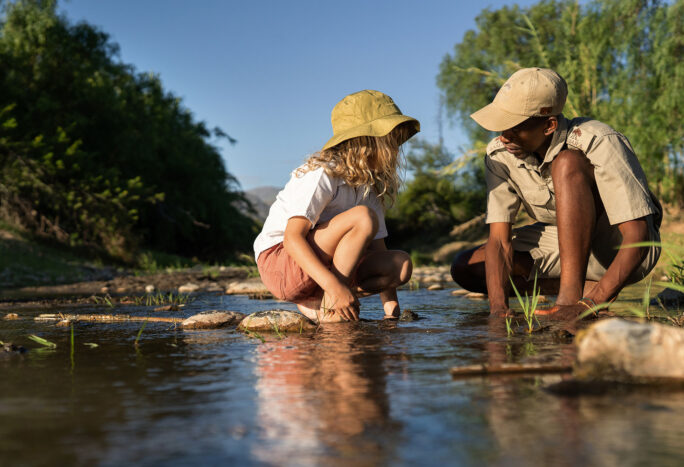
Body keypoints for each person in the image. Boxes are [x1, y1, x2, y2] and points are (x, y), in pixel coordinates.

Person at [451, 68, 662, 320]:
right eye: (500, 127)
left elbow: (638, 236)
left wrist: (587, 306)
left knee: (566, 163)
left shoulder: (598, 140)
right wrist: (498, 311)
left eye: (514, 128)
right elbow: (499, 240)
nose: (504, 137)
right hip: (563, 244)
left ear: (549, 125)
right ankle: (585, 288)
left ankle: (572, 299)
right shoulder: (499, 155)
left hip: (619, 246)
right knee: (468, 266)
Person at [253, 90, 418, 323]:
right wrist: (335, 287)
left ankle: (320, 301)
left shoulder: (370, 186)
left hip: (324, 268)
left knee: (400, 264)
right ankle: (330, 302)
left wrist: (392, 314)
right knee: (362, 217)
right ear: (365, 142)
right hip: (282, 261)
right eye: (390, 142)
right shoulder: (323, 173)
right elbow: (292, 238)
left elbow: (379, 250)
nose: (396, 150)